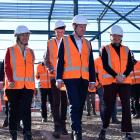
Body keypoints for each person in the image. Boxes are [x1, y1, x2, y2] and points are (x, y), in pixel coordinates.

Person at [56, 15, 96, 140]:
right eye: (81, 27)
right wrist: (58, 78)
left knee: (80, 105)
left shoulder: (88, 43)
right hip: (70, 78)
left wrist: (92, 80)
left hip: (84, 79)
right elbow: (60, 60)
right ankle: (77, 132)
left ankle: (75, 129)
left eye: (85, 27)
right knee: (74, 103)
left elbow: (91, 63)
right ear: (74, 27)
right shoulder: (65, 40)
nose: (83, 29)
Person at [98, 25, 134, 140]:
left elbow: (130, 65)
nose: (116, 38)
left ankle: (128, 133)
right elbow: (105, 65)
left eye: (119, 36)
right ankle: (104, 129)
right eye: (114, 36)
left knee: (126, 107)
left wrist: (123, 76)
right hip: (110, 82)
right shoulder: (105, 49)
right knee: (108, 107)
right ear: (110, 37)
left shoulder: (127, 49)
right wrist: (116, 75)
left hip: (124, 81)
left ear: (121, 37)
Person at [4, 25, 35, 140]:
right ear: (17, 36)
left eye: (27, 35)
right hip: (13, 86)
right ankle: (13, 134)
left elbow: (32, 70)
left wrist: (34, 87)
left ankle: (27, 133)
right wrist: (10, 79)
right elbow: (7, 67)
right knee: (13, 110)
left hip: (28, 86)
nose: (26, 37)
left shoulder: (31, 52)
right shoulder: (10, 50)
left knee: (26, 109)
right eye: (23, 35)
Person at [44, 20, 68, 138]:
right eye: (58, 31)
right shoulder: (50, 43)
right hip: (54, 77)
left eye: (61, 31)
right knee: (55, 102)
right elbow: (46, 59)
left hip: (66, 78)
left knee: (64, 102)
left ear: (64, 31)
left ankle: (63, 125)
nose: (59, 33)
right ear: (55, 31)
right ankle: (57, 126)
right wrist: (50, 68)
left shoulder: (69, 42)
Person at [94, 55, 120, 124]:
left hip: (112, 85)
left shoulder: (112, 61)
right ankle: (104, 120)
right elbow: (93, 74)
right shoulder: (96, 61)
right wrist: (97, 84)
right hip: (101, 86)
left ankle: (114, 118)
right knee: (103, 102)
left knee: (113, 101)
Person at [130, 53, 140, 118]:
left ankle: (138, 112)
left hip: (139, 84)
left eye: (131, 57)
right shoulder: (126, 65)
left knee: (138, 99)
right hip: (131, 85)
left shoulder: (139, 63)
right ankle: (134, 112)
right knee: (133, 99)